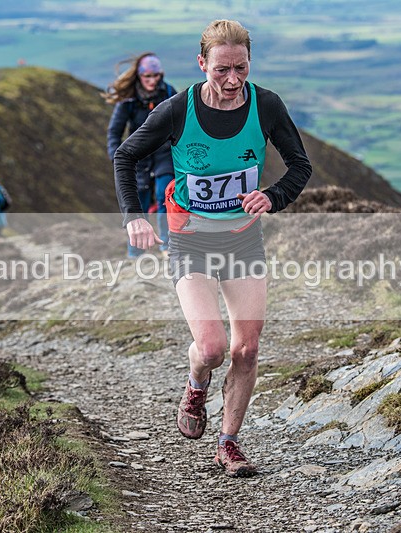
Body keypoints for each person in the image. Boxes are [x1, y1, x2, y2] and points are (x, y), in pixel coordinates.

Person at [114, 20, 312, 477]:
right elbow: (126, 156)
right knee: (212, 346)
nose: (232, 80)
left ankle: (229, 443)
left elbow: (300, 165)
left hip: (243, 240)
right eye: (221, 69)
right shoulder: (177, 110)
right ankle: (197, 382)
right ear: (201, 64)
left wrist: (273, 196)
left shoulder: (266, 105)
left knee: (246, 350)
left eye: (241, 68)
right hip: (190, 241)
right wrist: (134, 217)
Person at [105, 52, 177, 258]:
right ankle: (135, 252)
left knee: (166, 195)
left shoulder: (169, 92)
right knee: (138, 203)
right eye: (148, 77)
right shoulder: (128, 100)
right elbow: (114, 132)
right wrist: (117, 159)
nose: (152, 81)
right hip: (138, 158)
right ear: (139, 76)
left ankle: (167, 245)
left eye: (156, 76)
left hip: (164, 154)